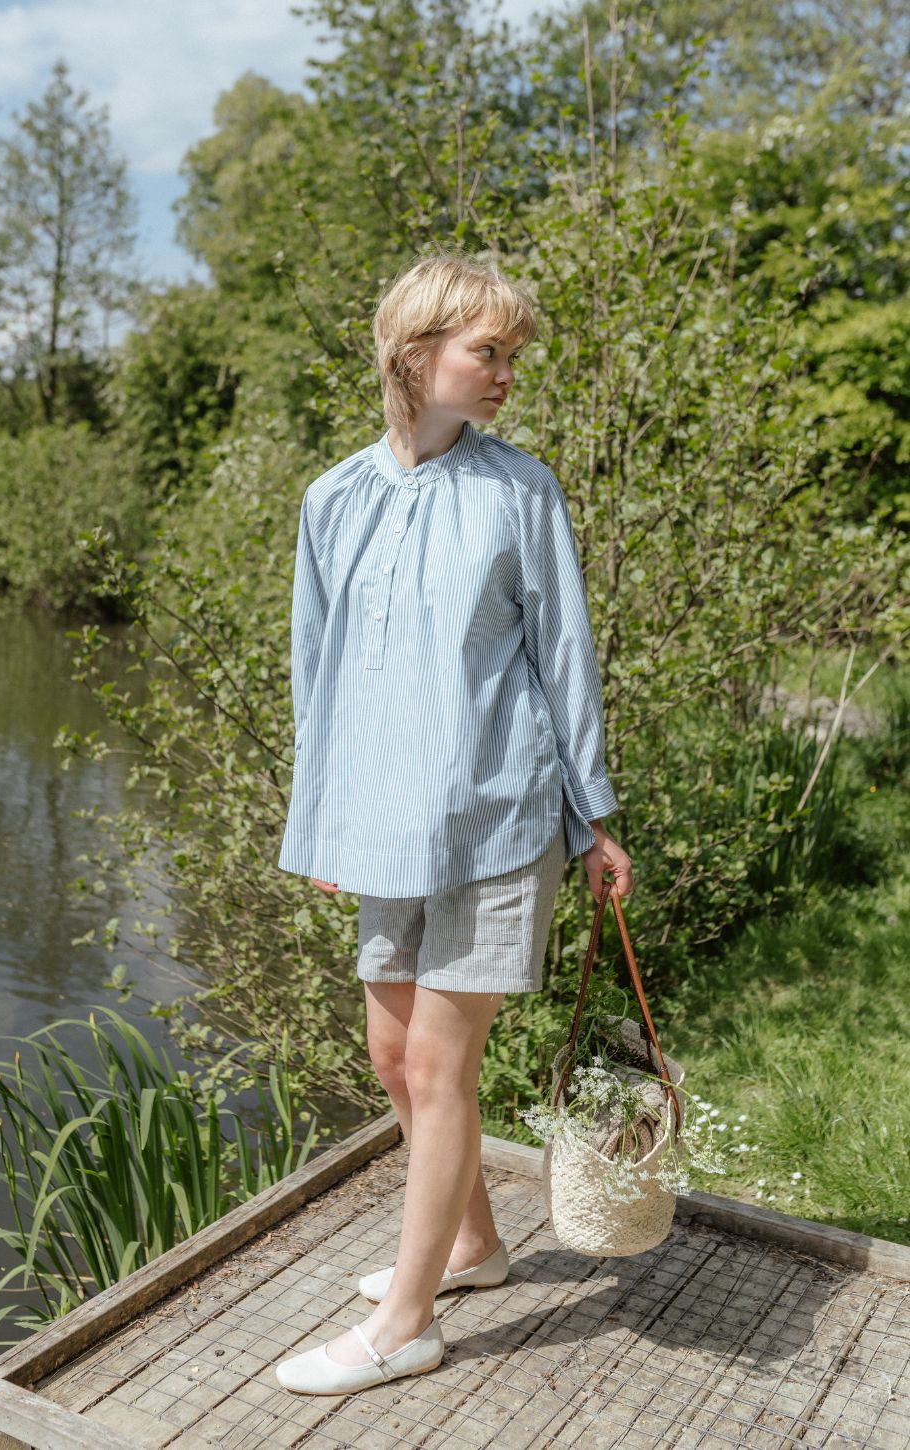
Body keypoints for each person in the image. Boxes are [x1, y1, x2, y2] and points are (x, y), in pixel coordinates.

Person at [274, 250, 633, 1396]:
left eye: (511, 354)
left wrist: (595, 819)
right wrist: (325, 820)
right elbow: (316, 673)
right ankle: (474, 1245)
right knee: (391, 1054)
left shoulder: (521, 490)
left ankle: (408, 1323)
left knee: (438, 1066)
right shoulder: (332, 499)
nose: (506, 373)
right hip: (382, 821)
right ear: (414, 352)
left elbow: (563, 658)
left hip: (497, 813)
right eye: (490, 351)